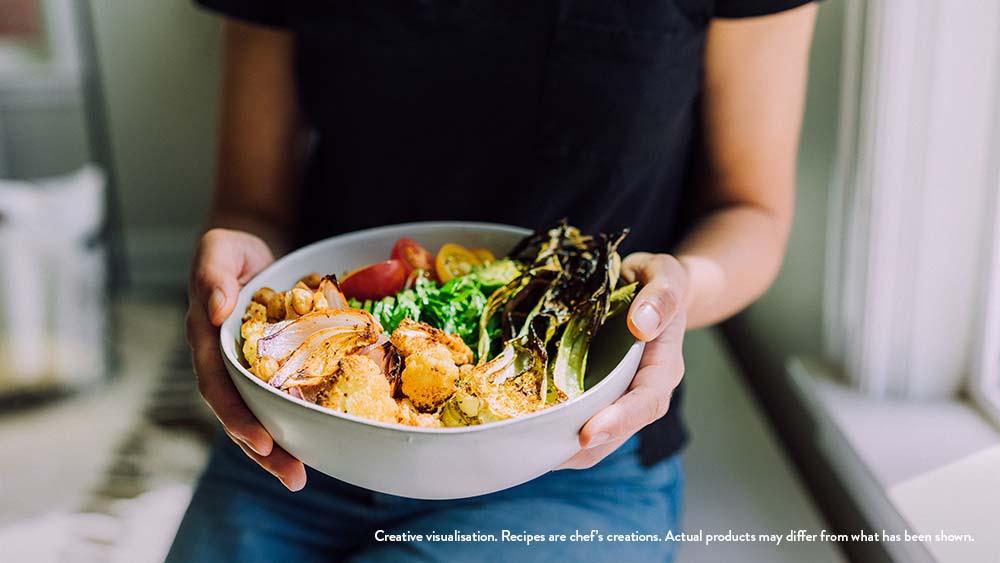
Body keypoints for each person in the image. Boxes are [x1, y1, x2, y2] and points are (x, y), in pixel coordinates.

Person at [169, 1, 817, 561]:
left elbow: (750, 211)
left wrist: (679, 290)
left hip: (573, 462)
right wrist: (239, 280)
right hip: (300, 445)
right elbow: (252, 203)